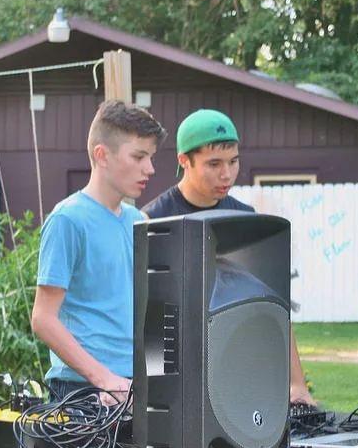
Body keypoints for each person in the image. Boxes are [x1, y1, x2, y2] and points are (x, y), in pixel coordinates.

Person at [142, 109, 316, 406]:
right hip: (175, 375)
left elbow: (272, 305)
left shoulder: (246, 220)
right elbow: (149, 317)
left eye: (233, 161)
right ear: (184, 160)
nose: (226, 174)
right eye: (214, 164)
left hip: (235, 366)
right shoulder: (153, 221)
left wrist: (297, 384)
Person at [31, 100, 166, 405]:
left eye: (151, 157)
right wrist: (104, 380)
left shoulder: (139, 221)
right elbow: (42, 318)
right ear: (102, 155)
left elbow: (150, 309)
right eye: (139, 157)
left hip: (132, 386)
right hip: (81, 389)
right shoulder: (68, 220)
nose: (150, 169)